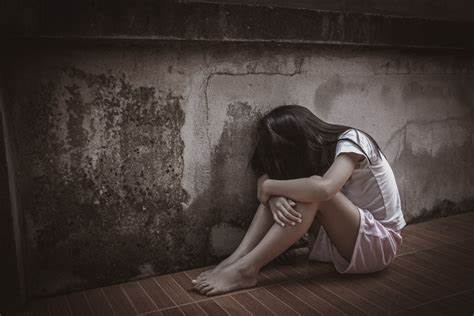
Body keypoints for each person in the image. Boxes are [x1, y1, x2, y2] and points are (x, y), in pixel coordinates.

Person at [192, 105, 406, 296]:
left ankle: (246, 270)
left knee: (313, 191)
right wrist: (273, 195)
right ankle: (236, 259)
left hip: (379, 243)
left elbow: (325, 189)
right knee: (297, 190)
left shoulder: (353, 140)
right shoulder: (321, 153)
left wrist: (268, 187)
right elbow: (264, 170)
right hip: (345, 240)